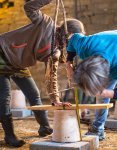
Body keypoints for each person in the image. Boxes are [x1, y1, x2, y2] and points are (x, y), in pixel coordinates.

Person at [59, 19, 117, 150]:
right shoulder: (84, 46)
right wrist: (68, 65)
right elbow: (73, 38)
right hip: (114, 42)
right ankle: (97, 129)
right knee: (101, 94)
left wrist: (105, 92)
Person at [0, 0, 70, 147]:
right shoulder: (46, 23)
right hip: (3, 52)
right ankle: (9, 135)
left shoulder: (55, 51)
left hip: (19, 63)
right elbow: (28, 7)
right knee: (4, 97)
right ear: (65, 33)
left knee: (34, 93)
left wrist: (55, 99)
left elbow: (52, 76)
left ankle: (44, 126)